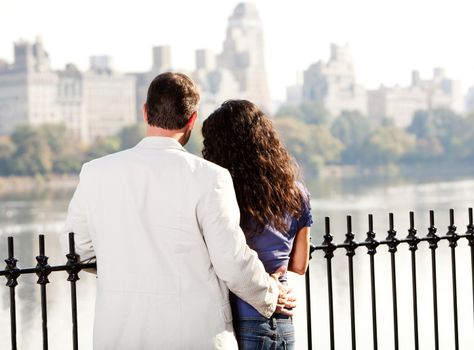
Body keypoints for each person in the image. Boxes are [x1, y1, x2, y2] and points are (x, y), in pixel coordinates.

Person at [62, 73, 294, 349]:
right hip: (197, 337)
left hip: (120, 336)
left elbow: (77, 249)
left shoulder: (95, 173)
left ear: (145, 112)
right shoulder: (211, 177)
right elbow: (231, 261)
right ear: (192, 120)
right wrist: (271, 293)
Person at [202, 100, 313, 350]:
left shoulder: (224, 194)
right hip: (283, 319)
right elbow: (299, 265)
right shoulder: (297, 194)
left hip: (239, 319)